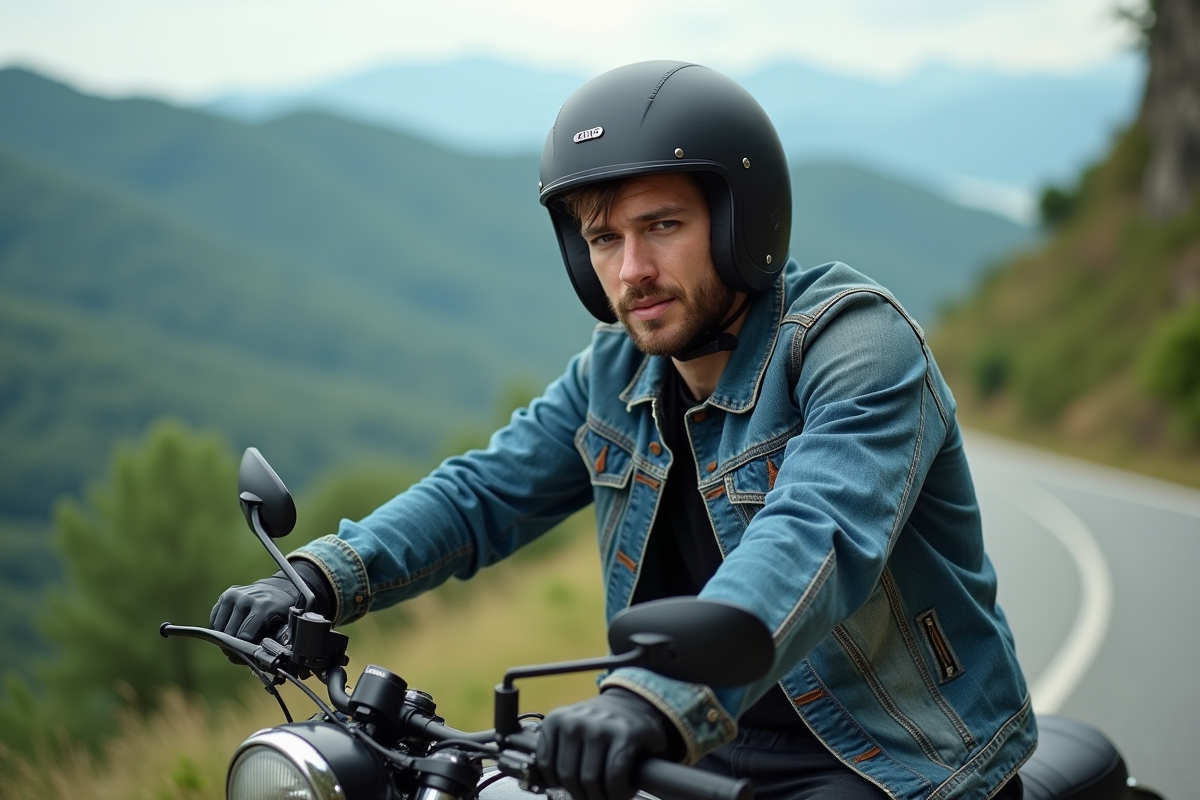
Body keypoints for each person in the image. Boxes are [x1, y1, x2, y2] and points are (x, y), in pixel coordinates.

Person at [210, 61, 1035, 800]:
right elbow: (480, 495)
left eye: (662, 226)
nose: (630, 269)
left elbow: (815, 534)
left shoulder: (854, 343)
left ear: (743, 221)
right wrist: (318, 578)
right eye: (603, 238)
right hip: (694, 752)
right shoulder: (614, 373)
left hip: (890, 756)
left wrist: (645, 700)